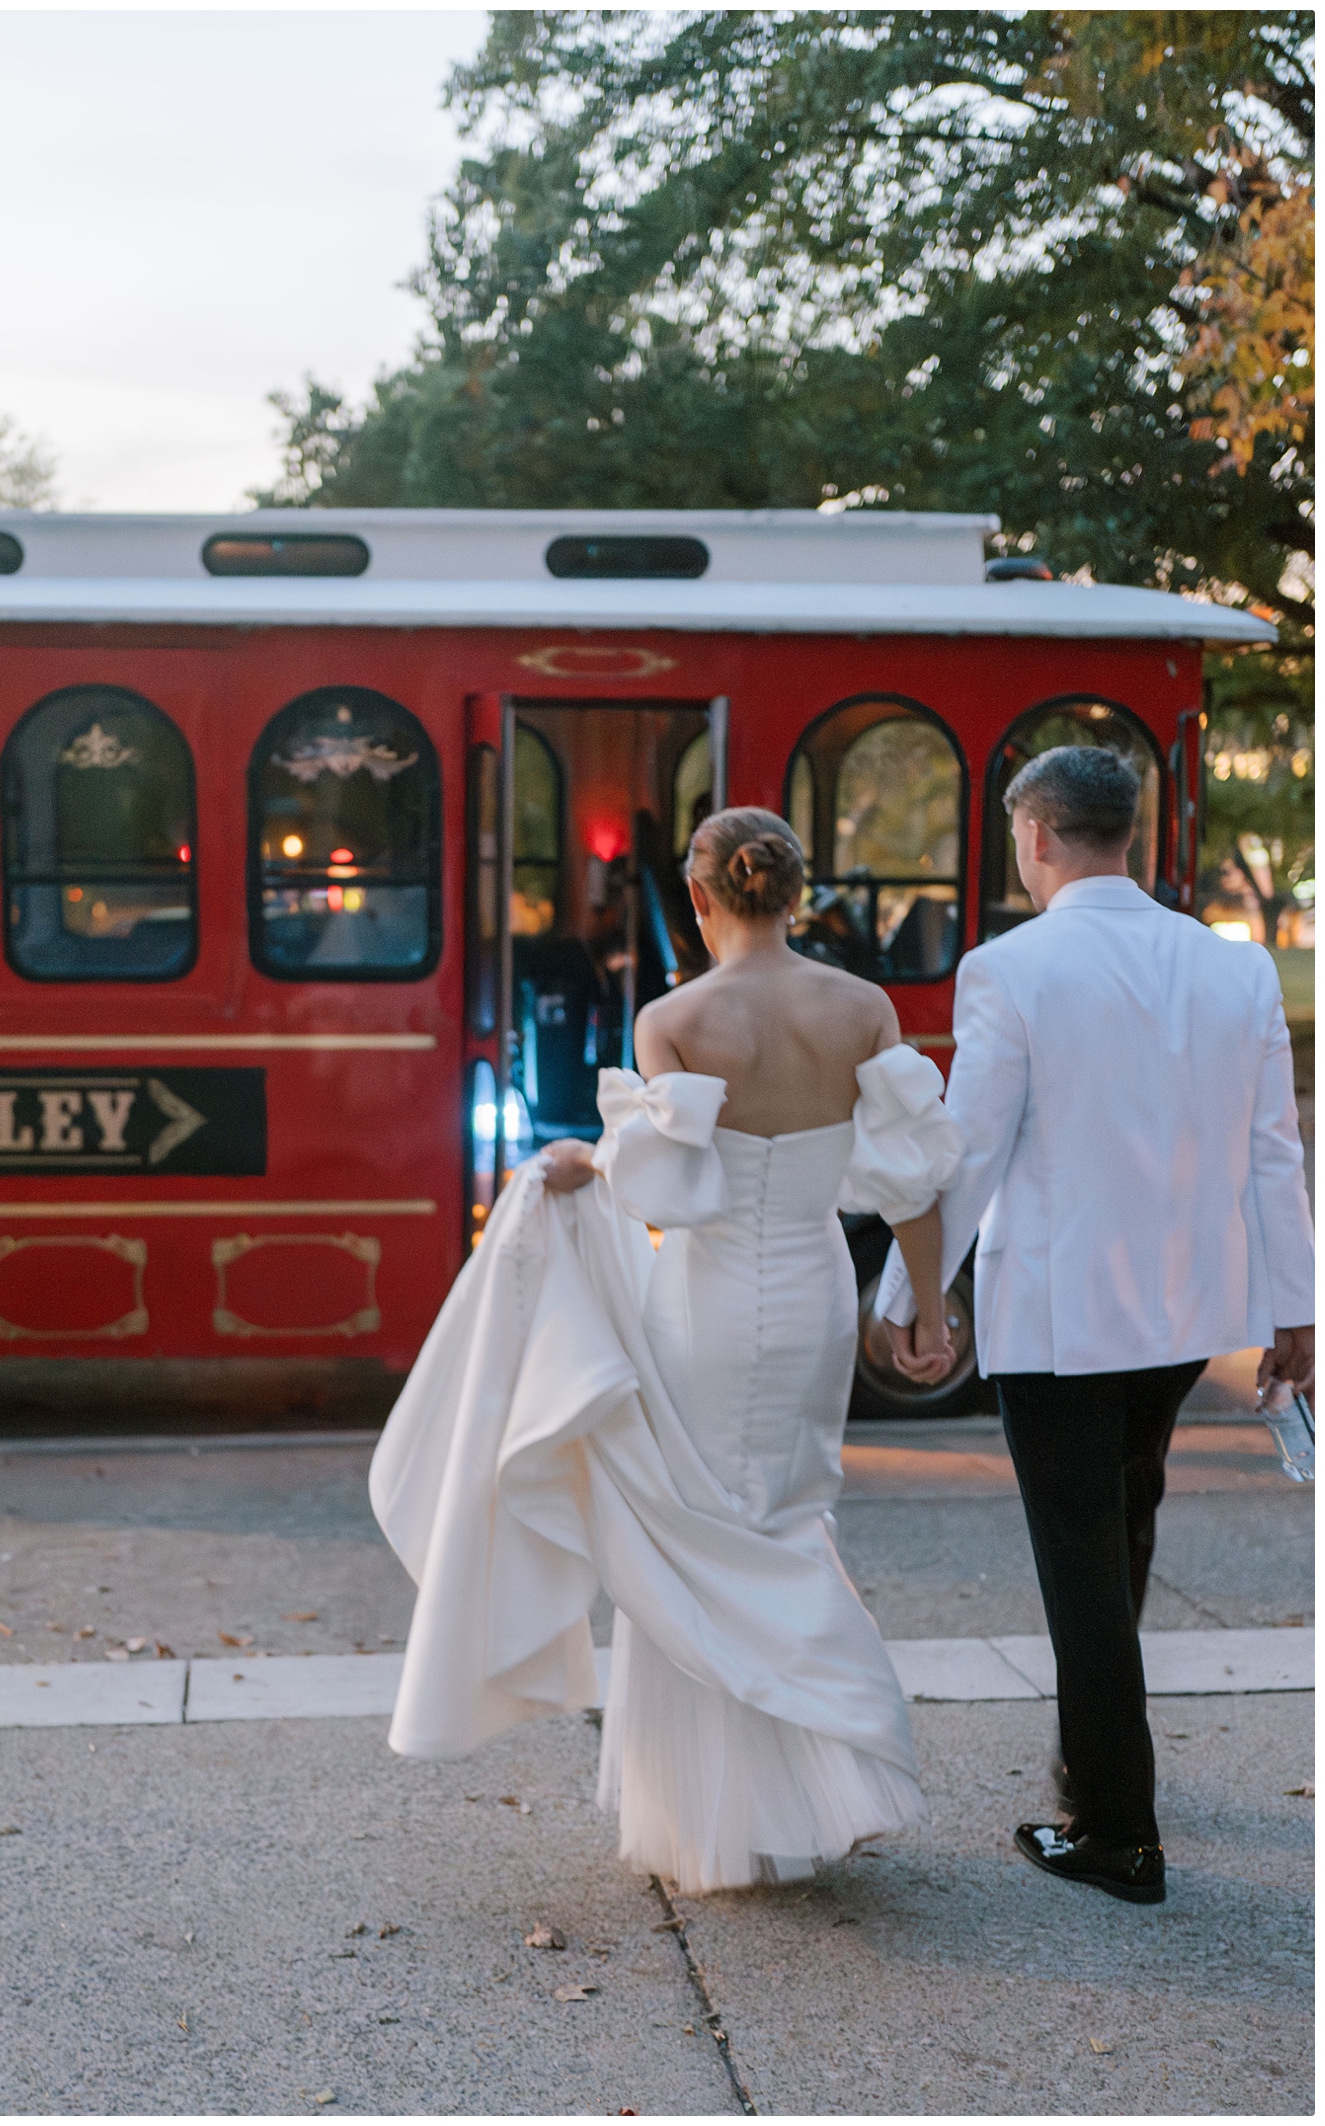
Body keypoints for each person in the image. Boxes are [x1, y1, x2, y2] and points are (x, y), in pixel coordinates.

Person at [370, 808, 963, 1893]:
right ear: (795, 892)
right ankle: (807, 1784)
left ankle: (726, 1811)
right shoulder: (864, 1006)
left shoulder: (675, 1016)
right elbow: (914, 1175)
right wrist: (927, 1305)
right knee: (787, 1511)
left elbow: (665, 1182)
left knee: (701, 1523)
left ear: (697, 901)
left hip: (708, 1296)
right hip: (818, 1289)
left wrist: (579, 1164)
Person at [878, 745, 1316, 1906]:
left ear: (1035, 835)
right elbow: (1276, 1149)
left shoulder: (1009, 967)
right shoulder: (1235, 970)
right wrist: (1295, 1310)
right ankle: (1094, 1758)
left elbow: (969, 1148)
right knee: (1120, 1528)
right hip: (1184, 1315)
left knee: (1081, 1559)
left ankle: (1117, 1829)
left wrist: (910, 1297)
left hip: (1064, 1317)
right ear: (1130, 832)